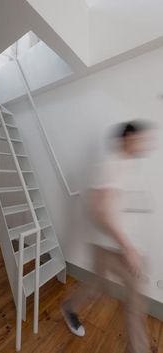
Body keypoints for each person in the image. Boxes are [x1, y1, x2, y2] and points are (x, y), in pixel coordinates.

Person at [61, 120, 154, 353]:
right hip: (108, 245)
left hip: (115, 244)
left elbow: (117, 206)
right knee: (134, 294)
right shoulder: (110, 165)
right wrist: (129, 247)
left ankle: (69, 306)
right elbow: (100, 211)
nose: (145, 144)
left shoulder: (126, 166)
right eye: (141, 139)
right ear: (129, 139)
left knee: (98, 286)